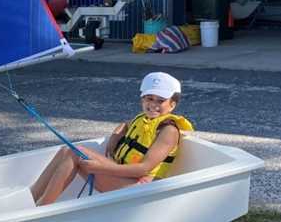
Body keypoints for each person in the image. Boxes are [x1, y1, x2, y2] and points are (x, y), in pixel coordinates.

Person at [30, 72, 194, 206]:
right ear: (142, 99)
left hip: (141, 188)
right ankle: (29, 198)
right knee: (67, 149)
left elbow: (143, 169)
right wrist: (114, 138)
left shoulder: (168, 130)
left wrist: (101, 168)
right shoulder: (143, 118)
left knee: (75, 153)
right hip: (125, 177)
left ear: (172, 104)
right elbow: (125, 125)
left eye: (161, 100)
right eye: (149, 98)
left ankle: (42, 208)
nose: (153, 104)